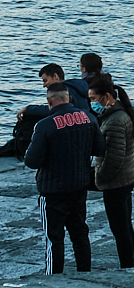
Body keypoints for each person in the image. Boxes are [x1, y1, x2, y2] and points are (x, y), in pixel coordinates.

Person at [24, 82, 100, 274]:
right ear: (69, 98)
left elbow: (32, 161)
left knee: (54, 238)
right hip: (79, 184)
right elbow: (100, 149)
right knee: (80, 233)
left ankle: (54, 278)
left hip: (52, 190)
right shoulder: (88, 118)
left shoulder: (44, 125)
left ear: (50, 102)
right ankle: (85, 272)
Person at [86, 72, 134, 269]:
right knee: (125, 225)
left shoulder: (116, 120)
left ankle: (127, 266)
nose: (91, 103)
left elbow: (114, 159)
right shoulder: (118, 114)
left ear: (106, 97)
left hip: (117, 181)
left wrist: (100, 180)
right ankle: (129, 264)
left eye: (93, 99)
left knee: (120, 228)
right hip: (127, 175)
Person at [4, 63, 87, 158]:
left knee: (32, 117)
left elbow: (57, 110)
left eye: (45, 80)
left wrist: (28, 109)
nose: (44, 85)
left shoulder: (65, 90)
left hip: (70, 132)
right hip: (81, 130)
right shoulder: (79, 88)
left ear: (55, 76)